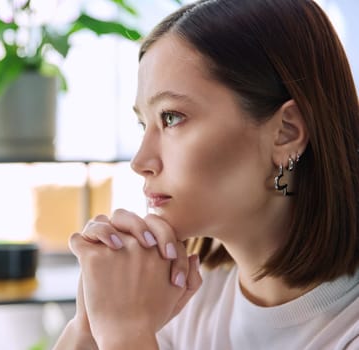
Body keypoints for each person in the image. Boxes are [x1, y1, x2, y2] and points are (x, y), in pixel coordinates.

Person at [53, 0, 359, 348]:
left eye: (171, 118)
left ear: (285, 132)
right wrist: (89, 325)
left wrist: (126, 333)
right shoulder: (182, 297)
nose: (140, 161)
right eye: (143, 124)